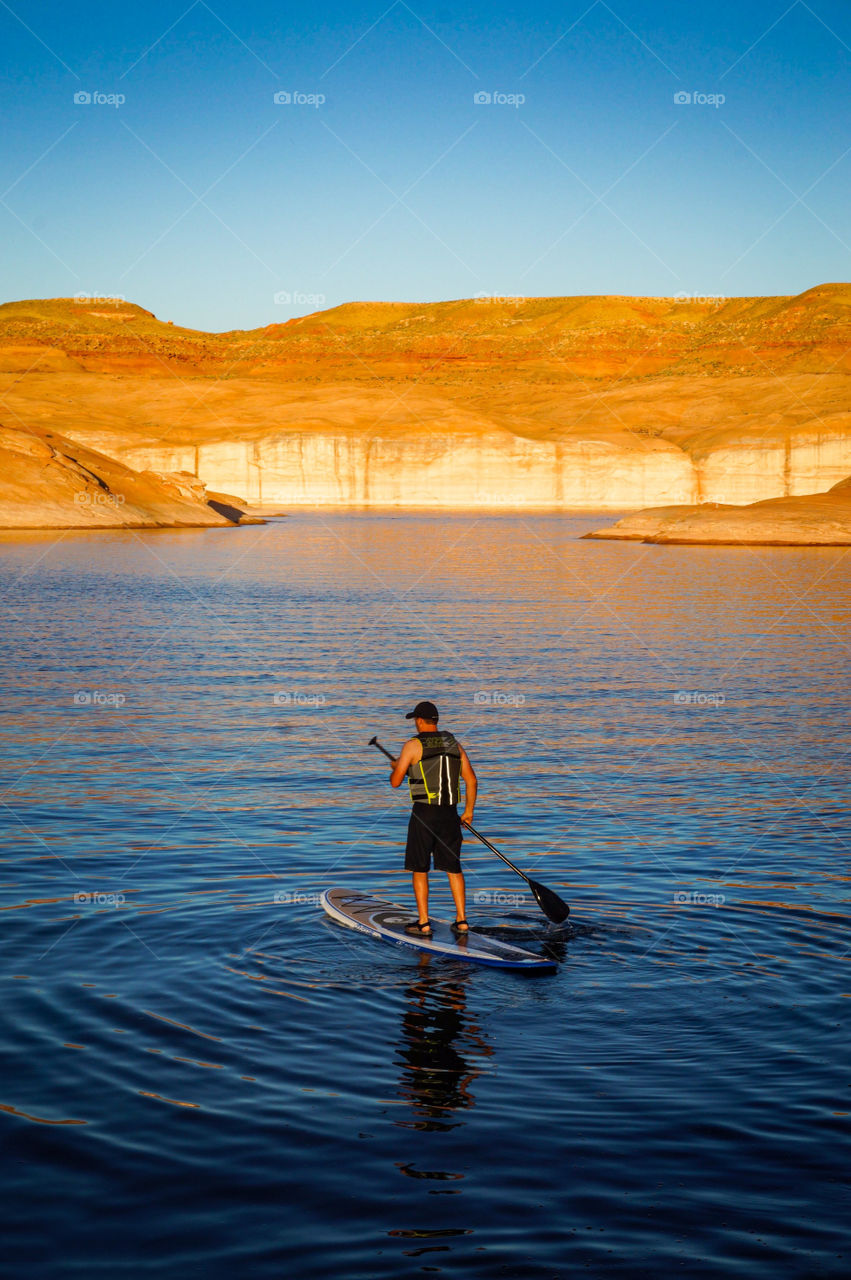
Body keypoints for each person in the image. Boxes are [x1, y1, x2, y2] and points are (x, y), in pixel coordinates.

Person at [389, 700, 478, 937]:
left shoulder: (412, 745)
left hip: (424, 815)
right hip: (450, 813)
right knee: (454, 868)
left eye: (415, 720)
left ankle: (424, 923)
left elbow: (396, 782)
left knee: (420, 868)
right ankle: (461, 921)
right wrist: (468, 812)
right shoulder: (455, 744)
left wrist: (398, 766)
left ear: (419, 721)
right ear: (435, 721)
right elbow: (471, 780)